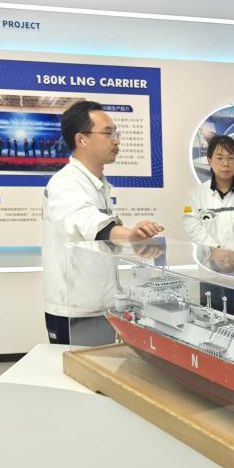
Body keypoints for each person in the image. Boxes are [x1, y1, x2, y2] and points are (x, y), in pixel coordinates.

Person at [42, 100, 163, 346]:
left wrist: (132, 240)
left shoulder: (98, 183)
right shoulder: (65, 183)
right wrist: (130, 235)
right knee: (81, 370)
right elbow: (86, 221)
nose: (116, 141)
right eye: (108, 133)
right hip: (75, 312)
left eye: (116, 133)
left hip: (99, 306)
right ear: (81, 140)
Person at [183, 134, 234, 317]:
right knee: (212, 324)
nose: (225, 164)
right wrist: (215, 250)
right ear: (209, 161)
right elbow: (192, 227)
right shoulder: (196, 195)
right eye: (219, 158)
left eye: (231, 158)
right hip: (210, 272)